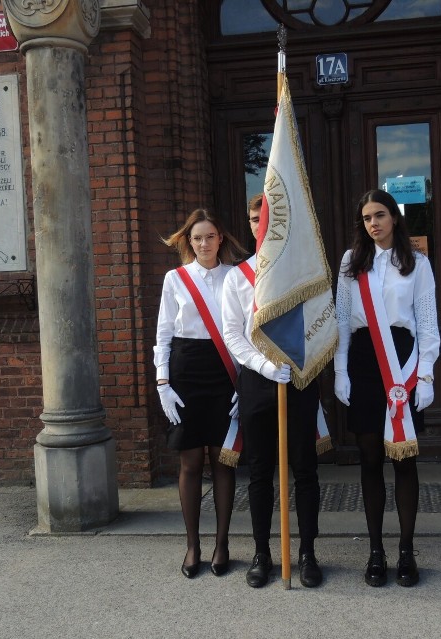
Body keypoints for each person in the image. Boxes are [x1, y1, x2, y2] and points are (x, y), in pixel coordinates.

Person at [334, 188, 440, 587]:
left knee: (405, 460)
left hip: (402, 361)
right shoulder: (351, 262)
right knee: (369, 458)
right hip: (362, 359)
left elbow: (427, 321)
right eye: (366, 218)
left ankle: (407, 552)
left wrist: (426, 373)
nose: (373, 223)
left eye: (380, 215)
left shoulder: (417, 263)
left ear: (394, 217)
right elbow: (343, 320)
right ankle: (376, 551)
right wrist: (340, 371)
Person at [221, 193, 323, 589]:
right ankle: (263, 553)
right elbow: (232, 332)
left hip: (298, 377)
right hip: (257, 380)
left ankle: (308, 552)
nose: (258, 224)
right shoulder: (237, 276)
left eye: (266, 218)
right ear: (249, 224)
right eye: (252, 218)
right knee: (260, 472)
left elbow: (320, 323)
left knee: (305, 470)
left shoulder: (303, 274)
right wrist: (265, 365)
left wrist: (298, 363)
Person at [154, 208, 247, 579]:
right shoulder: (175, 279)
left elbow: (245, 328)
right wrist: (163, 382)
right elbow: (163, 333)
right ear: (188, 243)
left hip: (226, 369)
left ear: (220, 238)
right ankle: (193, 544)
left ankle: (222, 543)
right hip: (187, 367)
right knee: (191, 462)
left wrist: (244, 381)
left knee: (223, 460)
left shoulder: (237, 277)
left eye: (210, 237)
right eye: (197, 238)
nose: (204, 244)